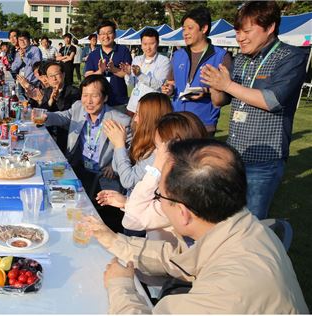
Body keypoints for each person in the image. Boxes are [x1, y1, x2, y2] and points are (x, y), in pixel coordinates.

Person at [85, 138, 308, 313]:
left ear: (183, 213)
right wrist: (115, 240)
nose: (159, 202)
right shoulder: (242, 226)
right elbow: (182, 258)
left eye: (159, 196)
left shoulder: (226, 294)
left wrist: (120, 286)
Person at [201, 1, 307, 220]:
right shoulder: (241, 59)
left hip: (264, 160)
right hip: (235, 156)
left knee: (251, 223)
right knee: (227, 218)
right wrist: (215, 84)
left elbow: (272, 100)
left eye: (247, 31)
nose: (240, 37)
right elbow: (221, 101)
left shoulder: (290, 57)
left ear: (270, 27)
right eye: (238, 31)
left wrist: (228, 85)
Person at [97, 111, 208, 240]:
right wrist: (126, 203)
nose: (135, 118)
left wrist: (156, 167)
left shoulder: (180, 191)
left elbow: (132, 221)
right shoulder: (187, 179)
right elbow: (152, 212)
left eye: (158, 147)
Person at [43, 75, 131, 233]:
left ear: (105, 98)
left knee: (105, 220)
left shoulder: (120, 120)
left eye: (94, 95)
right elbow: (63, 117)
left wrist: (114, 165)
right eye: (85, 95)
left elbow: (133, 148)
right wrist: (46, 116)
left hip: (104, 175)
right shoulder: (78, 107)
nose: (88, 101)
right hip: (80, 168)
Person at [161, 7, 231, 135]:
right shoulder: (178, 55)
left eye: (190, 28)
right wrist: (169, 88)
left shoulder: (221, 56)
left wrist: (206, 91)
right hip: (177, 122)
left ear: (204, 29)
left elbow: (227, 95)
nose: (185, 33)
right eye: (183, 29)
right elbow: (171, 81)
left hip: (203, 124)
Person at [122, 28, 171, 115]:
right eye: (145, 44)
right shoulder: (137, 59)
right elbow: (131, 85)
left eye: (152, 44)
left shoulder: (164, 61)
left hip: (151, 108)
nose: (148, 48)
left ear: (158, 43)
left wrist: (140, 75)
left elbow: (158, 85)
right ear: (141, 44)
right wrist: (128, 74)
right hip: (133, 105)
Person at [85, 21, 132, 109]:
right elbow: (87, 76)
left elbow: (128, 74)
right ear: (98, 36)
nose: (106, 36)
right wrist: (100, 71)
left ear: (114, 34)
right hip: (98, 101)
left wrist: (114, 70)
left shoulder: (123, 51)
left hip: (119, 100)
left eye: (109, 33)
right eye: (102, 34)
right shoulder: (93, 54)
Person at [39, 61, 81, 154]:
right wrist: (50, 100)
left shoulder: (74, 91)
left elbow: (67, 115)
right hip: (49, 135)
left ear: (63, 75)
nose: (54, 78)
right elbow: (42, 112)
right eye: (51, 76)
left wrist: (59, 97)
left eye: (57, 74)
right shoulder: (47, 91)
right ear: (47, 78)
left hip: (66, 135)